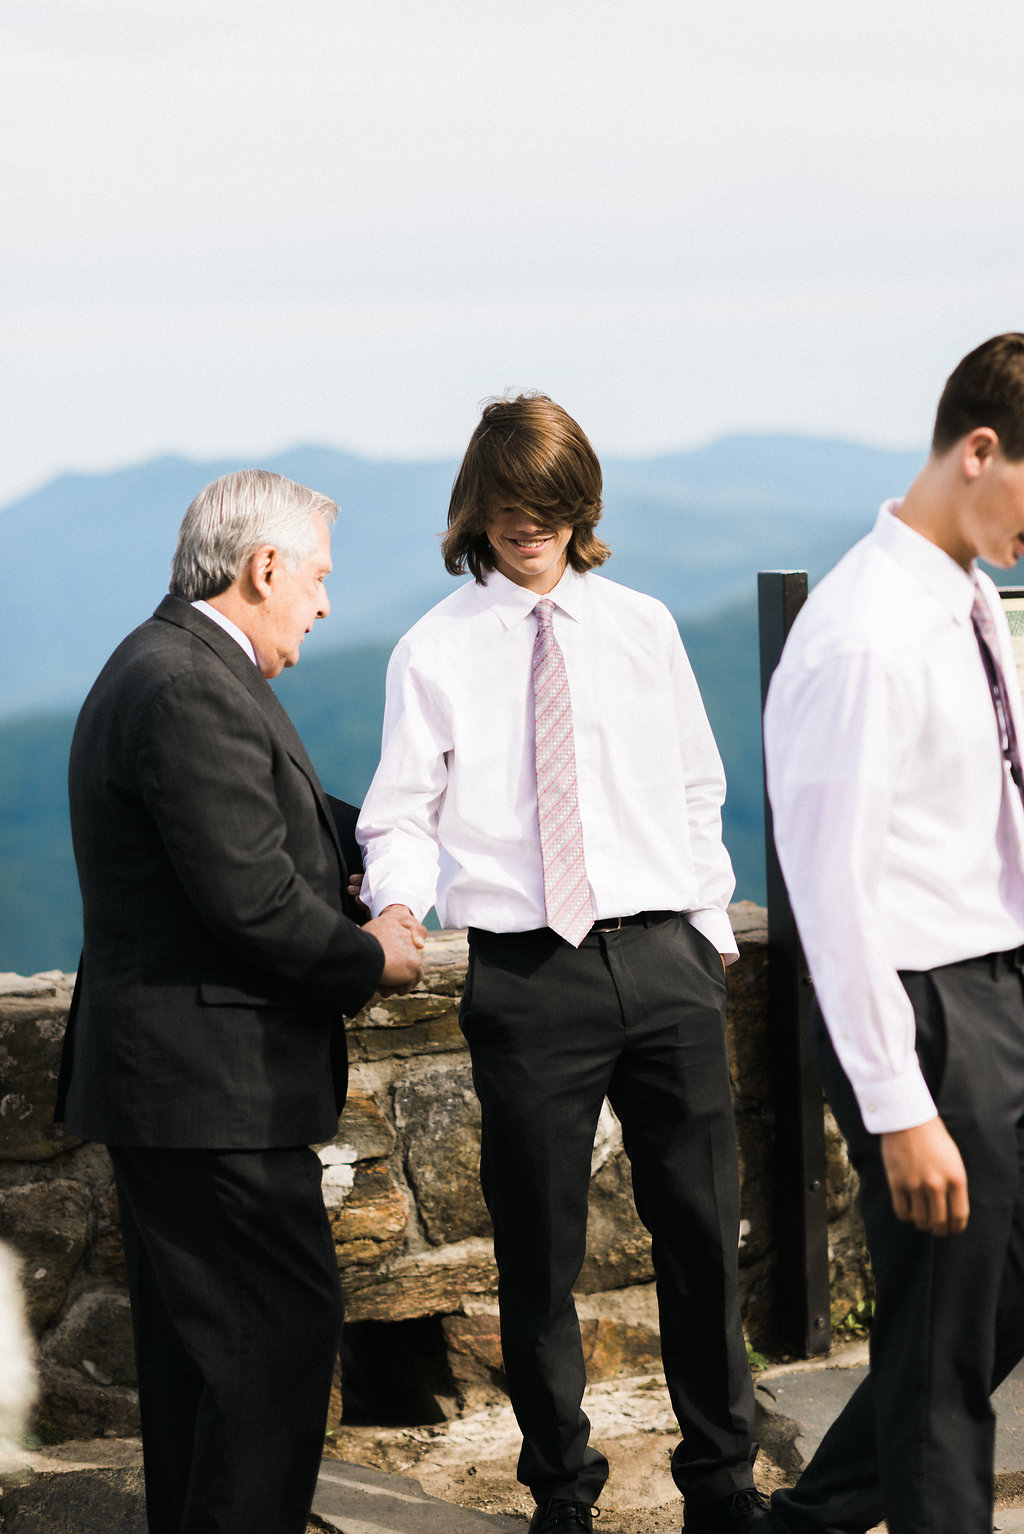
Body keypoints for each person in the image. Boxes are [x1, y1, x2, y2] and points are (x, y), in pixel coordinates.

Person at [356, 395, 763, 1534]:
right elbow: (403, 812)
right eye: (503, 508)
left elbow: (696, 784)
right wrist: (397, 901)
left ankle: (724, 1487)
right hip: (529, 977)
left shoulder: (643, 626)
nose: (524, 528)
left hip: (666, 956)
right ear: (473, 511)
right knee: (539, 1257)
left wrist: (706, 934)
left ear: (577, 505)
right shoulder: (431, 650)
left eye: (544, 506)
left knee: (702, 1238)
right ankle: (562, 1495)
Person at [55, 469, 426, 1534]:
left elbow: (276, 828)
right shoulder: (183, 683)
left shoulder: (183, 666)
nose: (322, 602)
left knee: (204, 1369)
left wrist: (400, 834)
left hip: (190, 1086)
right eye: (315, 577)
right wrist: (373, 957)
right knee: (274, 1350)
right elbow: (251, 897)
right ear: (264, 567)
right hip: (207, 1091)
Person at [762, 333, 1024, 1534]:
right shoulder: (864, 632)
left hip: (999, 988)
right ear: (980, 450)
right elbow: (831, 894)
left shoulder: (970, 598)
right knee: (938, 1356)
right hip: (923, 1016)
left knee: (960, 1330)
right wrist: (899, 1106)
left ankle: (809, 1522)